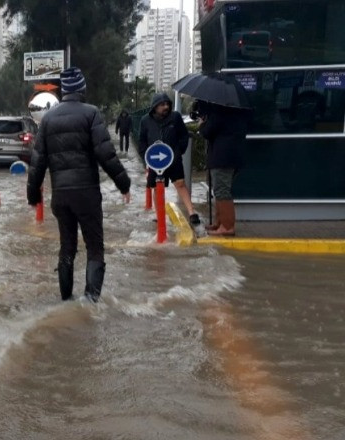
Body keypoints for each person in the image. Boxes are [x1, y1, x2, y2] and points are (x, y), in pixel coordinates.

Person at [27, 67, 131, 302]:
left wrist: (33, 196)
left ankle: (66, 301)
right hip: (87, 194)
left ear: (63, 91)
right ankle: (90, 304)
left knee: (67, 248)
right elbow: (106, 154)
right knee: (95, 247)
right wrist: (123, 184)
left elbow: (37, 162)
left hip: (61, 196)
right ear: (82, 88)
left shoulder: (48, 119)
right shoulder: (91, 113)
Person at [138, 93, 200, 226]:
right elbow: (142, 141)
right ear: (155, 107)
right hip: (154, 160)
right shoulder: (145, 120)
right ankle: (158, 214)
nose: (166, 106)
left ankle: (192, 212)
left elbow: (184, 136)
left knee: (180, 184)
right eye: (162, 104)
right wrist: (146, 160)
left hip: (173, 158)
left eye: (167, 104)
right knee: (156, 187)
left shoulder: (175, 117)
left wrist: (179, 152)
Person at [197, 101, 250, 236]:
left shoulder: (219, 111)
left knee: (222, 191)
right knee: (220, 190)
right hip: (233, 157)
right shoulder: (238, 111)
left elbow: (207, 132)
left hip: (222, 158)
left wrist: (201, 124)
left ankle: (227, 226)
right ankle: (219, 223)